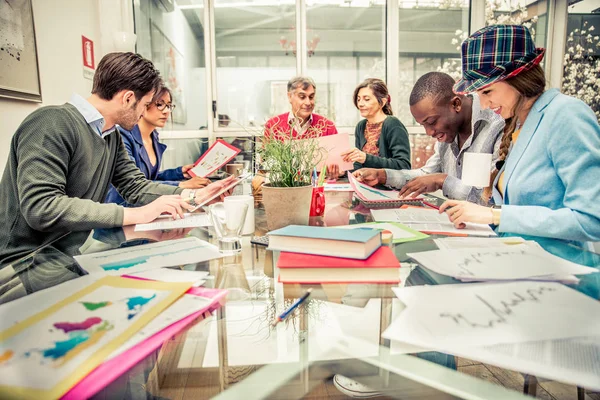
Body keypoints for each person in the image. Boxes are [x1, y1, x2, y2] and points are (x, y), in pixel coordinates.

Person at [0, 52, 233, 266]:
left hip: (66, 257)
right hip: (21, 263)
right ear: (128, 98)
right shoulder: (51, 123)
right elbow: (42, 207)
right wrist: (136, 214)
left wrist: (192, 196)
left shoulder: (111, 135)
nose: (144, 112)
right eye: (145, 104)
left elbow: (135, 186)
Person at [438, 25, 600, 243]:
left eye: (487, 91)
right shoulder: (518, 124)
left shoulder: (566, 114)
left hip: (560, 266)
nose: (484, 105)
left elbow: (591, 219)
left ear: (519, 79)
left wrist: (494, 215)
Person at [353, 72, 504, 204]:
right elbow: (426, 175)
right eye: (423, 125)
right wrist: (383, 175)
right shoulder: (448, 133)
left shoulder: (497, 124)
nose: (429, 132)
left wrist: (442, 181)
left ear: (456, 104)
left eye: (431, 122)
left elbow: (490, 198)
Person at [105, 86, 210, 206]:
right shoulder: (123, 137)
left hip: (144, 207)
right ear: (144, 104)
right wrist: (182, 185)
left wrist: (178, 173)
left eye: (169, 106)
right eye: (160, 104)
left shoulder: (153, 136)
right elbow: (135, 184)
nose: (166, 111)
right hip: (122, 209)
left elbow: (148, 178)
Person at [339, 78, 411, 175]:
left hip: (387, 188)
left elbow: (403, 165)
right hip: (365, 186)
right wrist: (343, 172)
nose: (360, 104)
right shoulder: (361, 126)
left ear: (382, 102)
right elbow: (359, 165)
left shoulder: (393, 124)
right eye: (358, 99)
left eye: (366, 99)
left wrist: (366, 158)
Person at [263, 76, 338, 140]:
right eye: (302, 97)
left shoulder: (327, 127)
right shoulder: (273, 125)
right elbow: (266, 156)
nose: (308, 102)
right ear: (290, 97)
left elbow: (337, 155)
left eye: (311, 97)